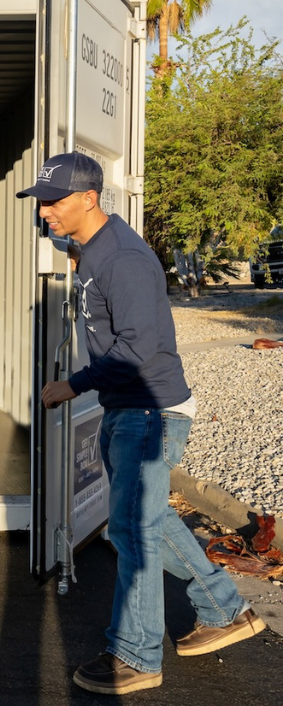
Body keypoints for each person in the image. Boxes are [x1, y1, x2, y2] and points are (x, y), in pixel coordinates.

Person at [17, 152, 265, 695]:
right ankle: (226, 612)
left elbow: (138, 345)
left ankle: (136, 655)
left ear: (89, 198)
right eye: (41, 204)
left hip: (149, 411)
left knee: (132, 532)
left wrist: (73, 383)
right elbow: (73, 245)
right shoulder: (97, 244)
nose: (46, 214)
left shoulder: (123, 258)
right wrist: (68, 247)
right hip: (131, 407)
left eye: (53, 203)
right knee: (145, 521)